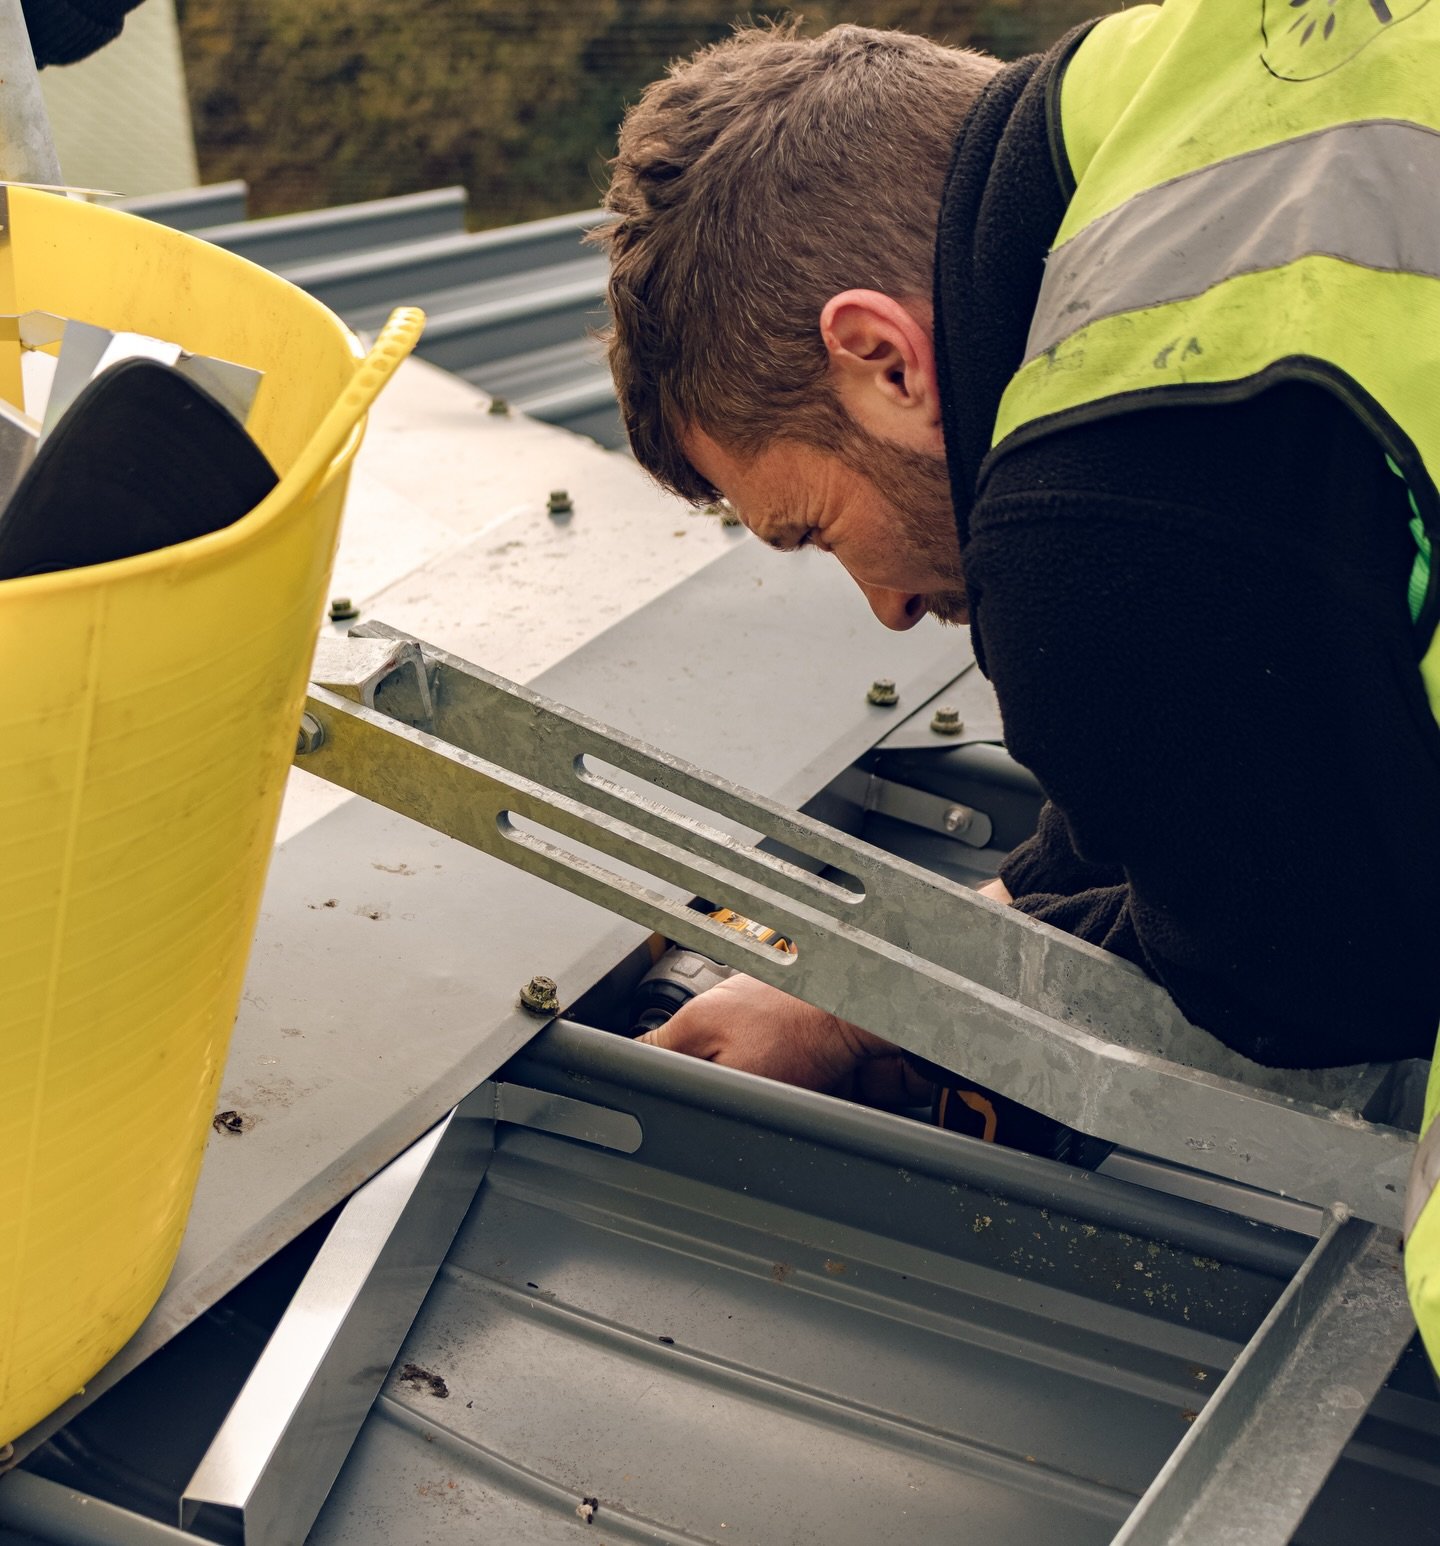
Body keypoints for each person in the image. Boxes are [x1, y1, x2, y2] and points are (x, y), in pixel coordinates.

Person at [595, 5, 1440, 1111]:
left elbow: (1305, 973)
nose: (888, 607)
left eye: (815, 528)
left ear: (884, 361)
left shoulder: (1085, 514)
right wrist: (875, 971)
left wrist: (859, 1007)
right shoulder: (1199, 71)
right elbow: (1203, 755)